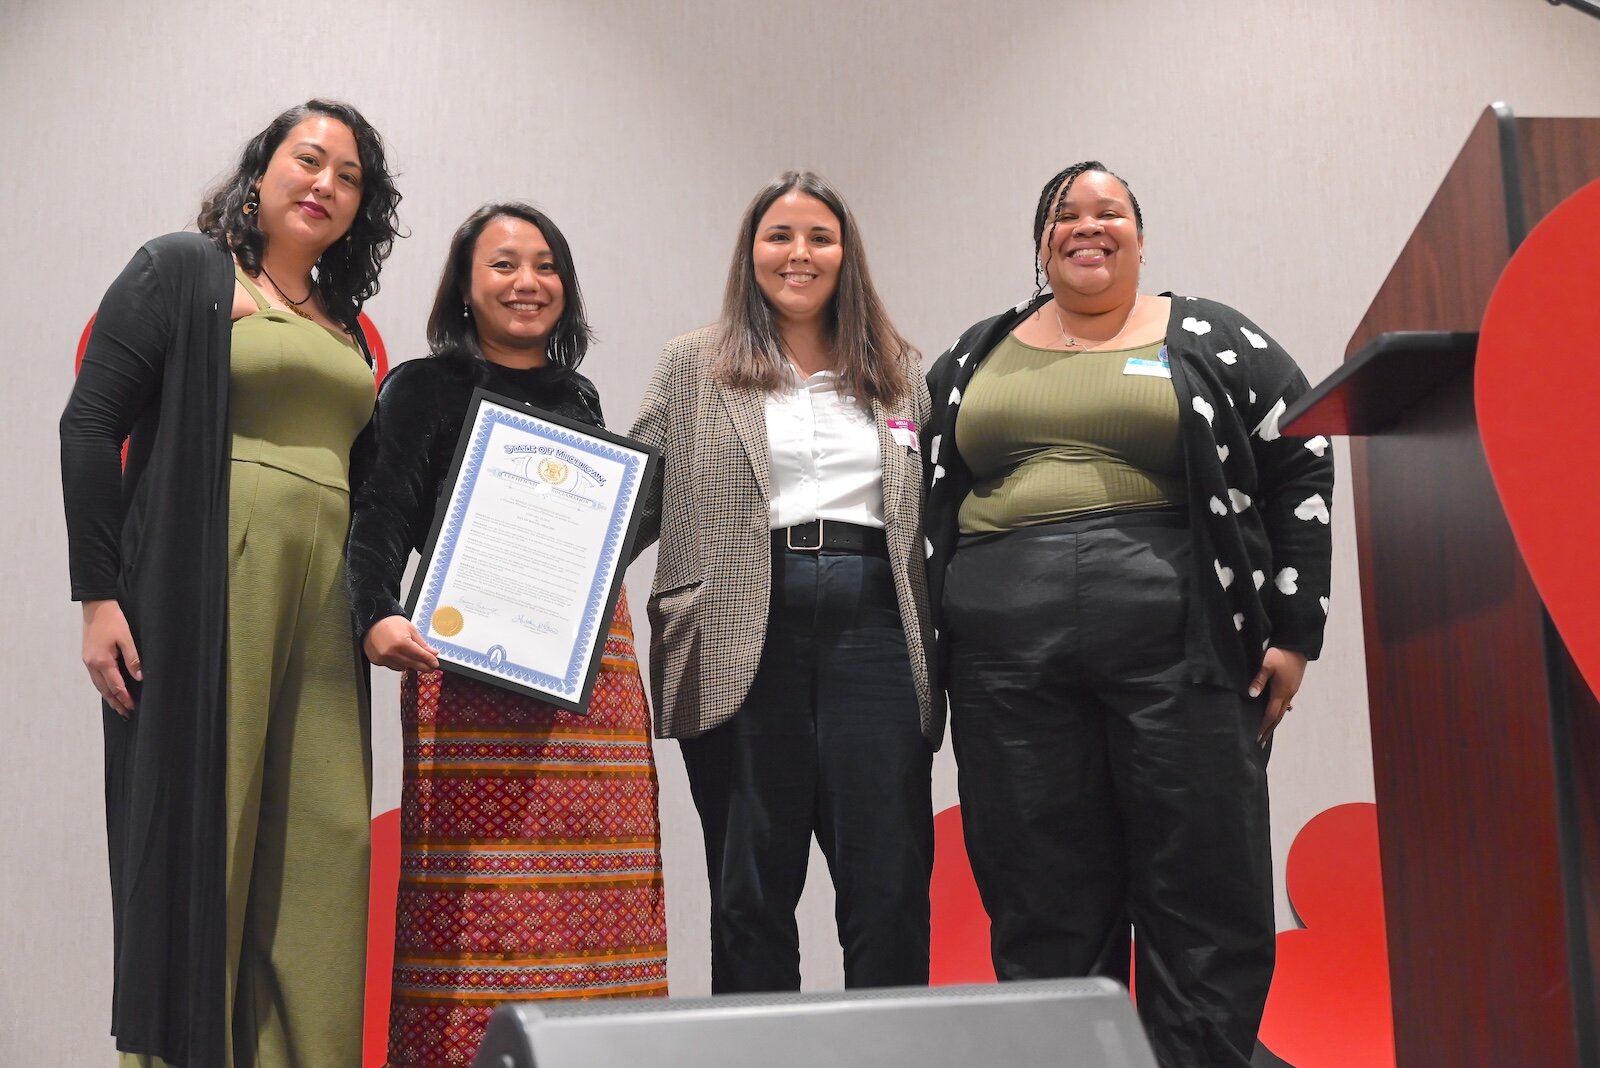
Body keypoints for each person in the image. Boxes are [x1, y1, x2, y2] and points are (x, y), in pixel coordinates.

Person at [922, 161, 1334, 1067]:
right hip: (1002, 657)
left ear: (1142, 238)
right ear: (1041, 244)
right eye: (1066, 214)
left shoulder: (1210, 337)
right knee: (1040, 887)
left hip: (1182, 643)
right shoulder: (978, 353)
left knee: (1200, 878)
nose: (1088, 225)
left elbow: (1298, 454)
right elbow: (927, 481)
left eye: (1111, 212)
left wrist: (1296, 632)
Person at [60, 99, 401, 1067]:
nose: (324, 183)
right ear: (262, 170)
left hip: (327, 608)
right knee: (210, 834)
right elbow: (89, 425)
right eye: (308, 159)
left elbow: (373, 487)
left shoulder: (353, 331)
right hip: (209, 591)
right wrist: (98, 598)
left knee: (327, 846)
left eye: (348, 176)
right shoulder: (185, 272)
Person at [347, 202, 668, 1064]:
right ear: (464, 285)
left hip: (590, 685)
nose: (528, 283)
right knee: (473, 910)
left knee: (599, 906)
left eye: (545, 265)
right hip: (467, 681)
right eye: (503, 265)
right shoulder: (421, 387)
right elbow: (379, 518)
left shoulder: (578, 395)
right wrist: (376, 611)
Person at [629, 171, 936, 993]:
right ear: (751, 252)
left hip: (875, 631)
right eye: (779, 237)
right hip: (736, 629)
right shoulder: (692, 365)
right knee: (750, 895)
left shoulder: (901, 372)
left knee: (890, 889)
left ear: (846, 255)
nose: (799, 254)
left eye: (819, 238)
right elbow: (629, 498)